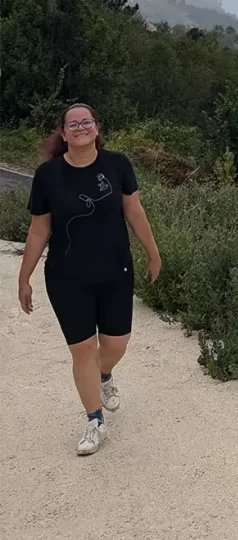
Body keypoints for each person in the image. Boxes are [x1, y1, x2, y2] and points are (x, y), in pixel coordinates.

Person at [17, 104, 161, 456]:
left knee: (115, 345)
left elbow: (134, 211)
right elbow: (39, 230)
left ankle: (105, 375)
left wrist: (152, 252)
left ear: (96, 129)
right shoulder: (47, 175)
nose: (81, 127)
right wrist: (25, 278)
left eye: (87, 121)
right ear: (63, 134)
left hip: (115, 271)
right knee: (82, 350)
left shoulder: (118, 165)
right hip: (67, 277)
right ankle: (94, 420)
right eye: (73, 123)